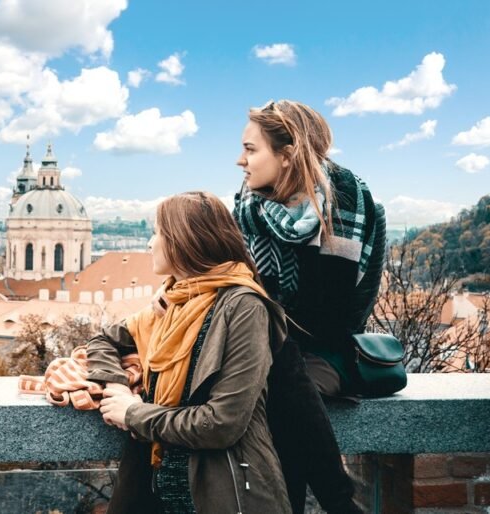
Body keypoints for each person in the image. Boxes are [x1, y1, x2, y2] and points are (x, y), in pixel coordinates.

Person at [88, 192, 291, 514]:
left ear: (183, 241)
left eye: (158, 233)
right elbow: (101, 342)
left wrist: (133, 413)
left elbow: (223, 422)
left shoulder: (243, 307)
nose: (150, 244)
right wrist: (116, 386)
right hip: (153, 492)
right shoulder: (173, 302)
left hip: (224, 495)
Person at [232, 99, 387, 513]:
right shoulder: (250, 206)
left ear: (287, 155)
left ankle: (333, 502)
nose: (239, 160)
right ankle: (339, 503)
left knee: (278, 386)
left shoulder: (343, 198)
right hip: (275, 348)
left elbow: (330, 315)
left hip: (328, 349)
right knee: (274, 369)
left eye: (250, 149)